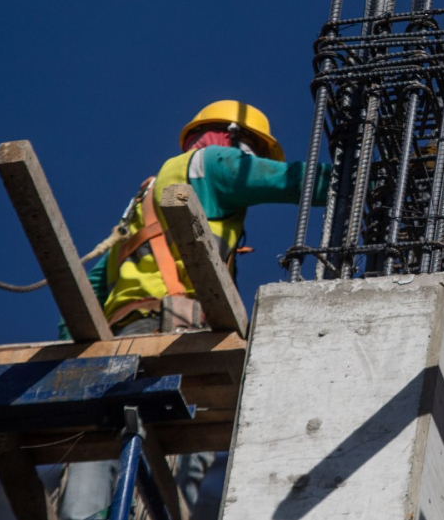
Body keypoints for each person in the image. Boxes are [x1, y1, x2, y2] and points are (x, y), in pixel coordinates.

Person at [58, 99, 329, 520]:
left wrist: (65, 363)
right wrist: (371, 175)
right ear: (233, 136)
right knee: (178, 451)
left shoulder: (146, 193)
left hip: (116, 341)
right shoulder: (216, 163)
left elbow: (92, 287)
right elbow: (298, 181)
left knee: (96, 448)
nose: (251, 159)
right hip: (169, 335)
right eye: (253, 149)